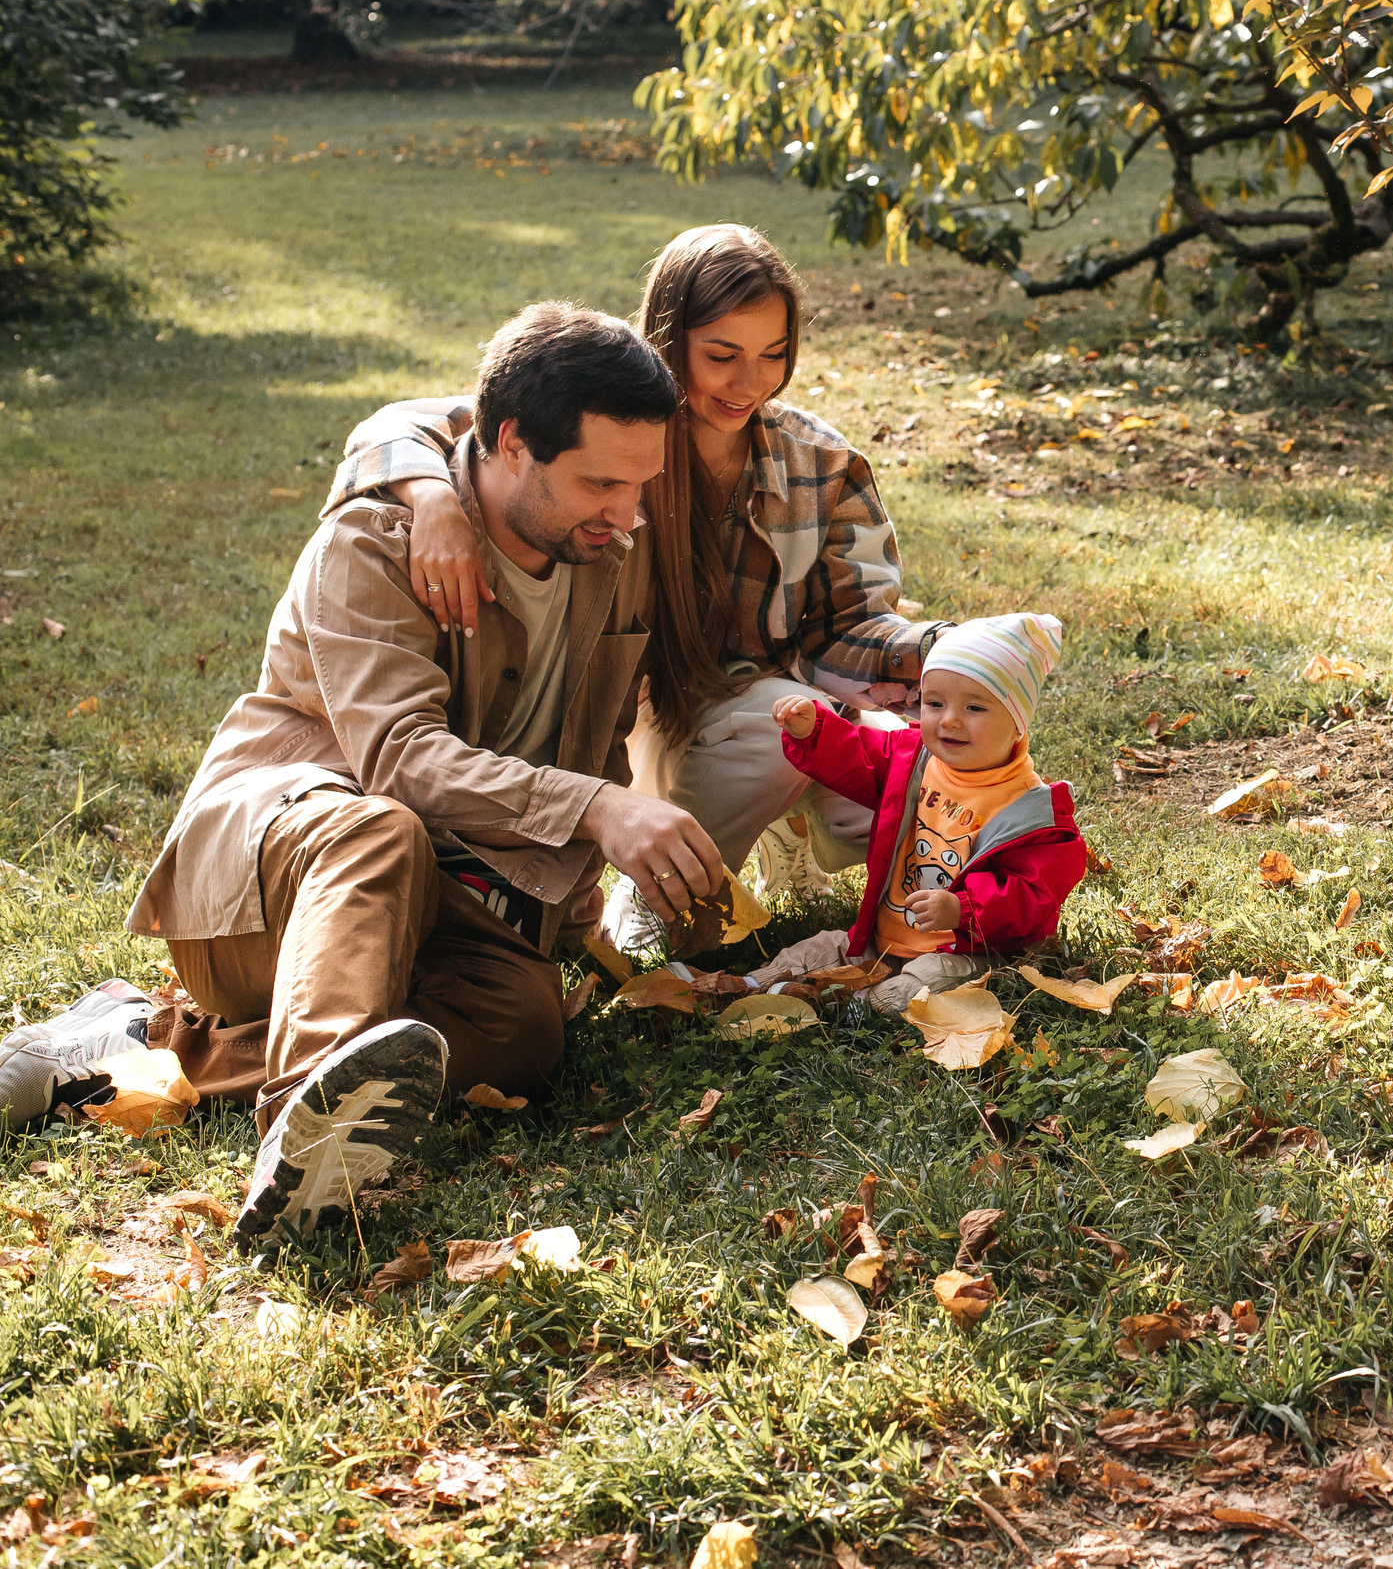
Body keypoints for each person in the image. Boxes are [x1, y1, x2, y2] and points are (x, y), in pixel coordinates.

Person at [0, 303, 723, 1247]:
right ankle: (304, 1152)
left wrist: (580, 909)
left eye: (638, 487)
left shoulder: (604, 547)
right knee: (379, 823)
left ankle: (152, 1040)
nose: (626, 517)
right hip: (274, 877)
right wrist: (597, 810)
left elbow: (594, 733)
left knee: (524, 1028)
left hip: (450, 894)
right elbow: (400, 761)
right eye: (599, 484)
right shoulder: (378, 541)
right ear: (508, 444)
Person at [326, 224, 942, 952]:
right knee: (782, 725)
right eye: (721, 357)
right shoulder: (615, 423)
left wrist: (938, 653)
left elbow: (857, 622)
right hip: (673, 712)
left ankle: (784, 826)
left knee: (927, 785)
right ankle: (660, 888)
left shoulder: (820, 463)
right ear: (669, 340)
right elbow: (422, 422)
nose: (750, 383)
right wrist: (430, 497)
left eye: (774, 356)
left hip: (792, 702)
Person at [771, 613, 1086, 1013]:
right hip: (881, 939)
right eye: (934, 703)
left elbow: (1032, 897)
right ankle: (750, 985)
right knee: (823, 946)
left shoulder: (1032, 814)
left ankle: (855, 1009)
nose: (949, 719)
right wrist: (815, 731)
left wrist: (962, 909)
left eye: (974, 707)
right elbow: (860, 758)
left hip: (962, 951)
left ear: (1018, 723)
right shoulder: (915, 760)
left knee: (926, 981)